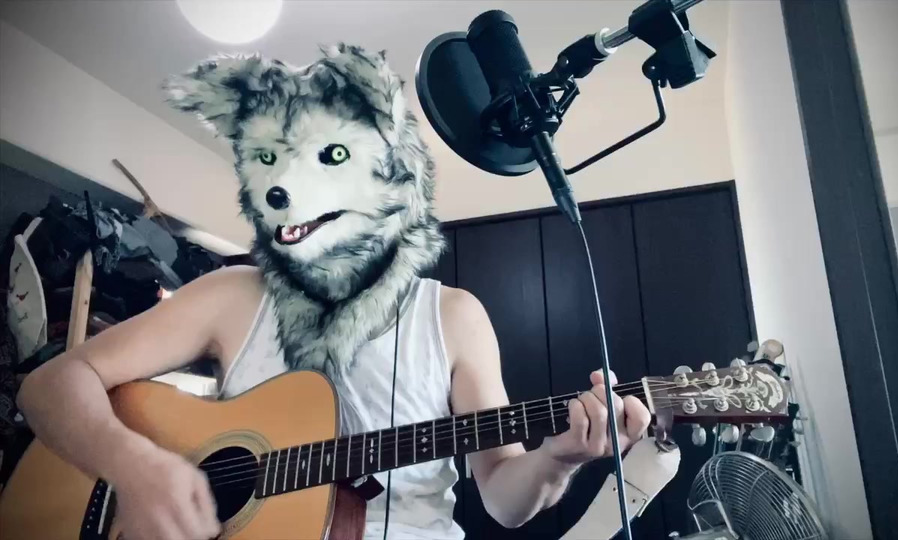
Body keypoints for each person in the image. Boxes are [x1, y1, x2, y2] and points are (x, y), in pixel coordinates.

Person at [15, 44, 651, 540]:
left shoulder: (454, 316)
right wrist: (134, 467)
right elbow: (48, 386)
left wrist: (560, 459)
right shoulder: (234, 293)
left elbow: (505, 499)